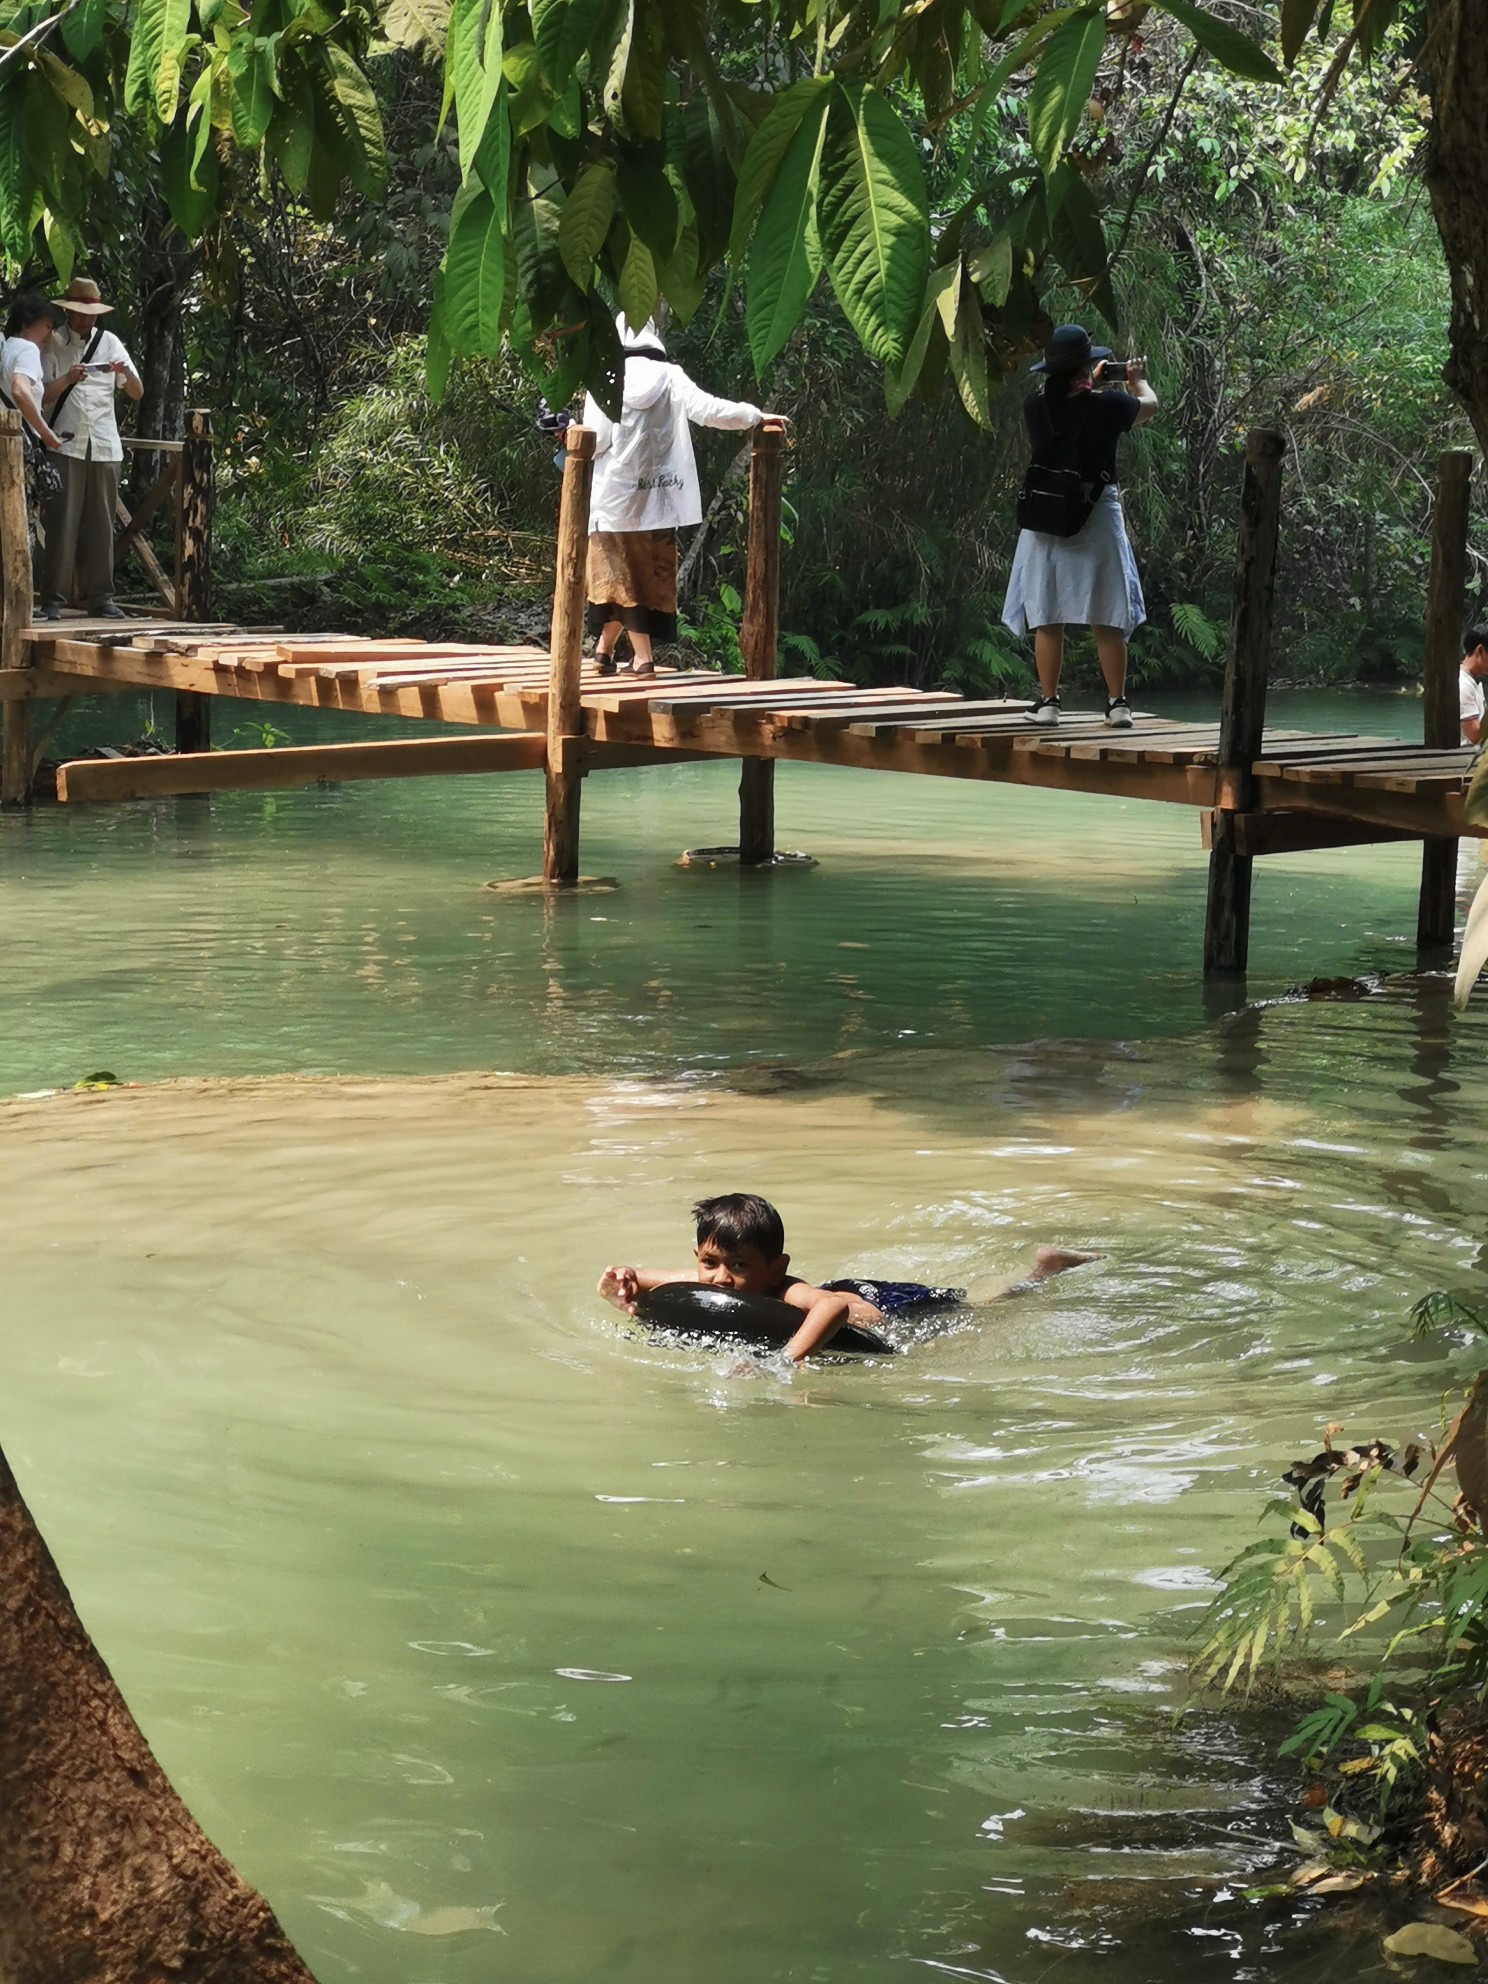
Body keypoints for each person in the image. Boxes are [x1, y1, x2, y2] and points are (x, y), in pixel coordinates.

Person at [597, 1191, 1096, 1364]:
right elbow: (640, 1278)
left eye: (740, 1267)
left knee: (984, 1311)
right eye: (710, 1264)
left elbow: (832, 1308)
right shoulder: (713, 1280)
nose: (721, 1280)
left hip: (891, 1312)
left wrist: (785, 1362)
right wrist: (621, 1281)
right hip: (849, 1295)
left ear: (776, 1268)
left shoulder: (786, 1290)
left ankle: (1041, 1272)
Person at [581, 316, 774, 677]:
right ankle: (604, 651)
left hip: (616, 500)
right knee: (640, 576)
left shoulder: (605, 380)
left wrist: (565, 437)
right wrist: (753, 415)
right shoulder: (670, 377)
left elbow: (597, 442)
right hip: (658, 502)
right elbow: (709, 410)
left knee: (618, 577)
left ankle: (643, 659)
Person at [1002, 324, 1158, 730]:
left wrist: (1090, 378)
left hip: (1046, 515)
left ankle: (1049, 702)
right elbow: (1149, 406)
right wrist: (1136, 380)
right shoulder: (1107, 406)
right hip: (1095, 512)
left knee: (1046, 612)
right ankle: (1117, 704)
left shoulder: (1034, 406)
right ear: (1087, 367)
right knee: (1105, 611)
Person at [38, 275, 143, 621]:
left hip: (104, 445)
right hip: (64, 443)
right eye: (80, 311)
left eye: (91, 312)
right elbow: (41, 397)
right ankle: (52, 599)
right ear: (68, 310)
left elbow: (137, 393)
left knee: (102, 526)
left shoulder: (110, 342)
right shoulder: (52, 344)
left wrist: (124, 370)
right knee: (61, 525)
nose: (85, 319)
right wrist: (68, 378)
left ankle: (102, 599)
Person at [0, 293, 64, 457]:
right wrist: (45, 431)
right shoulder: (28, 349)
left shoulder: (7, 347)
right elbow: (19, 390)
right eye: (47, 327)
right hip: (17, 445)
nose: (50, 335)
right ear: (25, 324)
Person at [1460, 625, 1488, 746]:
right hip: (1464, 757)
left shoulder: (1474, 680)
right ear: (1480, 650)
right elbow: (1476, 736)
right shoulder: (1463, 685)